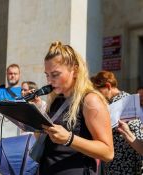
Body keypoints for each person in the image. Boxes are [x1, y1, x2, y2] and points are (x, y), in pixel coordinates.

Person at [40, 41, 114, 175]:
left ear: (75, 71)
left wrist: (69, 138)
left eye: (55, 74)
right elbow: (48, 142)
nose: (49, 81)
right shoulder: (56, 99)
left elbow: (108, 152)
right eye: (47, 75)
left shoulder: (90, 100)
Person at [91, 70, 143, 174]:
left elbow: (138, 134)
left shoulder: (128, 102)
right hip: (113, 163)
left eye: (99, 92)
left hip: (126, 164)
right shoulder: (108, 104)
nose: (98, 97)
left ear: (108, 86)